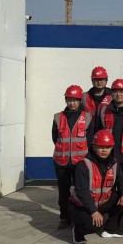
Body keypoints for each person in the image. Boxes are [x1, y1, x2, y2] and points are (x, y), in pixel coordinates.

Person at [69, 130, 123, 244]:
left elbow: (122, 180)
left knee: (121, 198)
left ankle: (110, 229)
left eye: (108, 147)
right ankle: (78, 230)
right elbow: (81, 191)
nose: (104, 150)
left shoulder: (114, 163)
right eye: (101, 147)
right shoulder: (84, 164)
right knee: (94, 226)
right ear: (94, 146)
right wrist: (94, 211)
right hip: (81, 206)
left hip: (99, 203)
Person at [51, 85, 95, 228]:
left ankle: (79, 218)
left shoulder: (87, 117)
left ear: (80, 101)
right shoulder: (58, 117)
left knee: (81, 192)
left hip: (80, 163)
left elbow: (90, 140)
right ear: (66, 100)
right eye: (69, 100)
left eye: (75, 100)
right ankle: (64, 217)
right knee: (63, 192)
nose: (72, 103)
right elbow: (55, 137)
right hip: (61, 162)